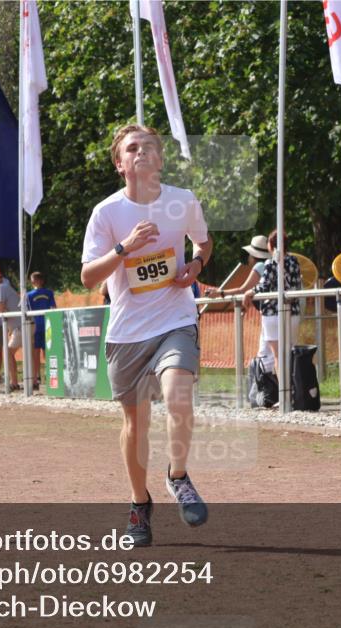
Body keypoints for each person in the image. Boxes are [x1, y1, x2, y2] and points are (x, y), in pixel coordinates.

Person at [80, 124, 212, 546]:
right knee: (136, 422)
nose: (142, 153)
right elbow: (87, 277)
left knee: (178, 394)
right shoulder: (107, 213)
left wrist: (195, 267)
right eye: (132, 149)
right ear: (120, 164)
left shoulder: (182, 201)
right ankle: (139, 504)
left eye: (150, 147)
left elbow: (203, 244)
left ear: (160, 158)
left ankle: (178, 476)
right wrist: (124, 248)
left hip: (175, 318)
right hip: (128, 331)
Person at [241, 230, 302, 381]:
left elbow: (264, 286)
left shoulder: (270, 263)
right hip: (293, 312)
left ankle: (283, 395)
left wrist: (250, 292)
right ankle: (293, 392)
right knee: (289, 354)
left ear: (271, 245)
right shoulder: (294, 260)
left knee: (278, 356)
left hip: (272, 314)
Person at [204, 235, 272, 366]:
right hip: (278, 313)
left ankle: (264, 385)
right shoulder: (271, 266)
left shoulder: (259, 266)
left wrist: (219, 293)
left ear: (254, 255)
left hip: (270, 314)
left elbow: (244, 289)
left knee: (265, 355)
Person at [0, 272, 23, 391]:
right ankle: (16, 381)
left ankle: (14, 382)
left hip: (20, 327)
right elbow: (3, 308)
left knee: (7, 352)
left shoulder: (1, 287)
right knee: (8, 351)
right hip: (22, 325)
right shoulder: (6, 287)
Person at [26, 271, 56, 392]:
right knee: (46, 351)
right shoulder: (48, 293)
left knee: (37, 353)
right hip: (46, 325)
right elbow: (53, 308)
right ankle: (46, 376)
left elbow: (26, 311)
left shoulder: (29, 295)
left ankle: (36, 378)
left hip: (36, 326)